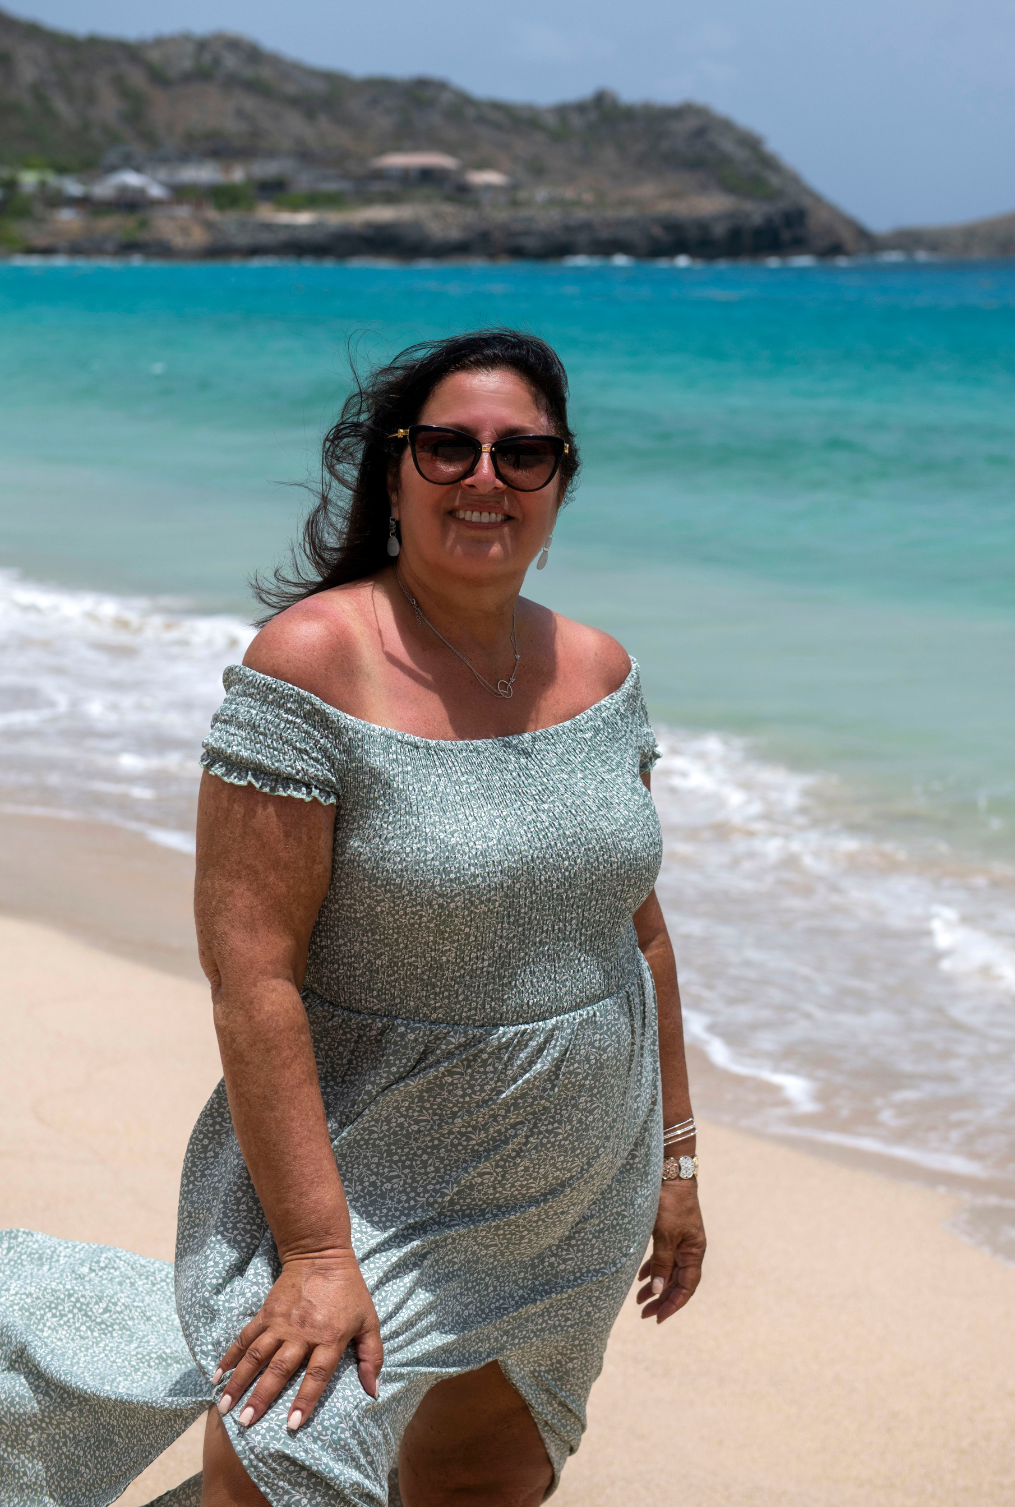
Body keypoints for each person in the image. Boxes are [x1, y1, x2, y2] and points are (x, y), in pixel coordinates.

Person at [0, 329, 705, 1507]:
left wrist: (675, 1163)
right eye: (449, 447)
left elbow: (635, 932)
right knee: (290, 1465)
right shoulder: (313, 661)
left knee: (487, 1474)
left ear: (560, 481)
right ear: (393, 472)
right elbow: (253, 976)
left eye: (523, 453)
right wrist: (321, 1253)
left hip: (578, 1177)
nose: (486, 477)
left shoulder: (599, 669)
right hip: (375, 1168)